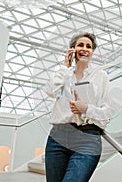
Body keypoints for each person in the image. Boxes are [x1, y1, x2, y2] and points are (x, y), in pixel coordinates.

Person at [43, 32, 115, 182]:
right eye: (80, 45)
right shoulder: (64, 74)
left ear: (92, 52)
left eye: (89, 46)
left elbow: (108, 112)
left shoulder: (100, 76)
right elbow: (50, 91)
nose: (85, 48)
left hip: (87, 139)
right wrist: (65, 68)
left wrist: (86, 109)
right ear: (72, 50)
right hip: (58, 137)